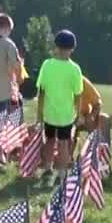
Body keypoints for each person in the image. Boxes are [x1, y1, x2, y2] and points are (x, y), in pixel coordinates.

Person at [36, 30, 83, 180]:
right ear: (72, 49)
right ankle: (62, 172)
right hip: (66, 115)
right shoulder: (75, 69)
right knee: (63, 143)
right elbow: (78, 94)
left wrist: (39, 114)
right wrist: (79, 113)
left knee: (49, 141)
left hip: (49, 113)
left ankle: (47, 167)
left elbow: (41, 91)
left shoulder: (47, 65)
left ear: (55, 46)